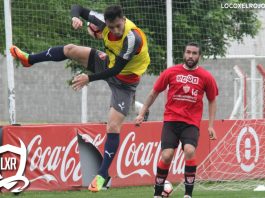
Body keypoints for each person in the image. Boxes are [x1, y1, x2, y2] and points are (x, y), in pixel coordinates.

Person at [10, 4, 150, 192]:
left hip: (125, 81)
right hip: (108, 63)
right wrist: (75, 17)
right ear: (105, 23)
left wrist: (88, 78)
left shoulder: (133, 38)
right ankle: (29, 59)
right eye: (111, 27)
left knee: (113, 126)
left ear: (123, 20)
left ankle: (101, 175)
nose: (116, 30)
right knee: (70, 49)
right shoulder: (102, 22)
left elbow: (116, 71)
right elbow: (78, 8)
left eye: (118, 26)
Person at [135, 42, 218, 198]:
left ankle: (188, 195)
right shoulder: (171, 72)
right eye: (188, 52)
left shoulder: (206, 76)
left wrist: (211, 125)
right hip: (171, 121)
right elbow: (154, 93)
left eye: (194, 53)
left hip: (191, 122)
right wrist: (142, 112)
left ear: (199, 56)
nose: (191, 56)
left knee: (190, 150)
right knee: (166, 156)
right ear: (184, 54)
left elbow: (212, 100)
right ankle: (158, 194)